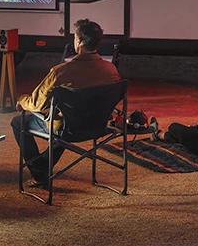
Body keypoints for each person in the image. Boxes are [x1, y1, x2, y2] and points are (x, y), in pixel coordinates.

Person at [12, 18, 120, 188]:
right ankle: (42, 169)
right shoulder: (111, 70)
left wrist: (22, 100)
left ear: (78, 41)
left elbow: (36, 104)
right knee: (67, 115)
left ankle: (39, 171)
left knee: (19, 122)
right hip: (98, 126)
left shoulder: (60, 72)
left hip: (69, 129)